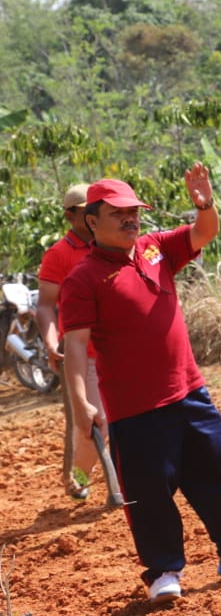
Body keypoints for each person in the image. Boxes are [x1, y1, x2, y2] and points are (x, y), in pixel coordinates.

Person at [59, 168, 221, 605]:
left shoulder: (155, 248)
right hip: (134, 408)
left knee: (220, 469)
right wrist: (81, 403)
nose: (131, 219)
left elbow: (205, 232)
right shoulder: (82, 278)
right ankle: (164, 570)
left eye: (133, 212)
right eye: (119, 214)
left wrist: (205, 204)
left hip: (189, 390)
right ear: (92, 220)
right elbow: (74, 346)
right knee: (148, 492)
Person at [35, 183, 104, 501]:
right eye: (86, 211)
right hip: (82, 354)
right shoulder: (59, 255)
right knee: (88, 425)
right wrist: (52, 344)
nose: (93, 216)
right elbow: (46, 305)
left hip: (117, 351)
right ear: (70, 216)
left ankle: (128, 481)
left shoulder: (111, 245)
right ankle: (79, 478)